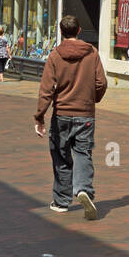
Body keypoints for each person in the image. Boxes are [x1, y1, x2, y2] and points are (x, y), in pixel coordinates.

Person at [35, 15, 107, 219]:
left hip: (62, 114)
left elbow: (46, 90)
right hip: (85, 113)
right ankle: (84, 189)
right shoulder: (91, 53)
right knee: (83, 153)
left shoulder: (55, 56)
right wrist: (92, 100)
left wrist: (39, 117)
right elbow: (101, 83)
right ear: (79, 30)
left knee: (61, 155)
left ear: (61, 32)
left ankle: (61, 201)